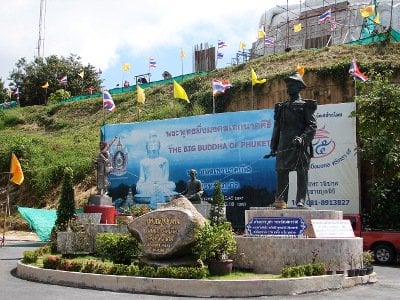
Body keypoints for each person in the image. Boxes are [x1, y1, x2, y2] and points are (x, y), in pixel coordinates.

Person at [267, 72, 317, 209]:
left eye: (291, 85)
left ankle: (301, 200)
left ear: (299, 87)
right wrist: (274, 146)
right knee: (282, 172)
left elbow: (312, 126)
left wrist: (302, 138)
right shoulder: (282, 107)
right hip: (284, 144)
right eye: (287, 85)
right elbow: (277, 128)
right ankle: (281, 200)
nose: (288, 88)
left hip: (300, 144)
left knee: (302, 172)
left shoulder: (306, 106)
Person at [135, 132, 176, 207]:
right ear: (147, 147)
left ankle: (157, 191)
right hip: (148, 185)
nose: (153, 147)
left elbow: (166, 177)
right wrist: (139, 184)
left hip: (162, 184)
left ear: (159, 146)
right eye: (150, 145)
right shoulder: (143, 162)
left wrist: (160, 183)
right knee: (141, 188)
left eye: (156, 145)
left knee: (172, 185)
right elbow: (142, 178)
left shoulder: (164, 160)